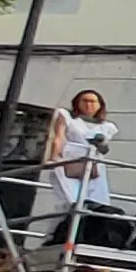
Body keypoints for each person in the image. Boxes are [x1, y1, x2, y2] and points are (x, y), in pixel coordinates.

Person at [45, 90, 117, 246]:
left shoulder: (107, 126)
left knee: (96, 204)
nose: (89, 105)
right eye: (85, 100)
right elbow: (59, 137)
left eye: (93, 102)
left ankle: (89, 238)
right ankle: (57, 237)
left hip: (94, 163)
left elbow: (104, 149)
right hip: (69, 159)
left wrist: (101, 144)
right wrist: (54, 157)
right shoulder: (67, 116)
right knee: (71, 201)